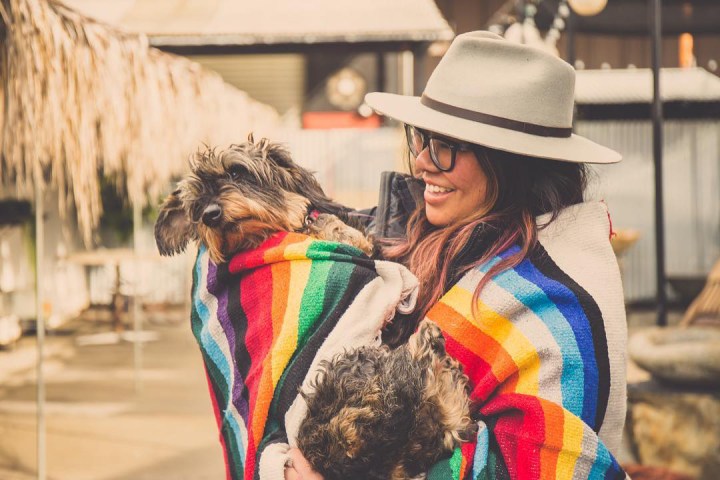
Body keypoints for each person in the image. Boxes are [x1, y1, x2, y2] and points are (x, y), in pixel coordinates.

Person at [285, 31, 628, 479]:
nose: (424, 162)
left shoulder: (558, 304)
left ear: (511, 163)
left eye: (445, 146)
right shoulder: (434, 244)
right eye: (421, 137)